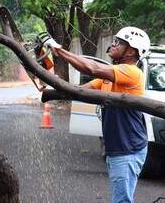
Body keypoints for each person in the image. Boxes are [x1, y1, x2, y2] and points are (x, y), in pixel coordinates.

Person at [45, 26, 150, 203]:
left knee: (121, 200)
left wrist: (59, 50)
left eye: (119, 42)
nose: (113, 45)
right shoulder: (108, 78)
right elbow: (77, 91)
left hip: (128, 148)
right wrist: (49, 87)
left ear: (131, 51)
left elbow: (92, 67)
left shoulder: (132, 72)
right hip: (117, 147)